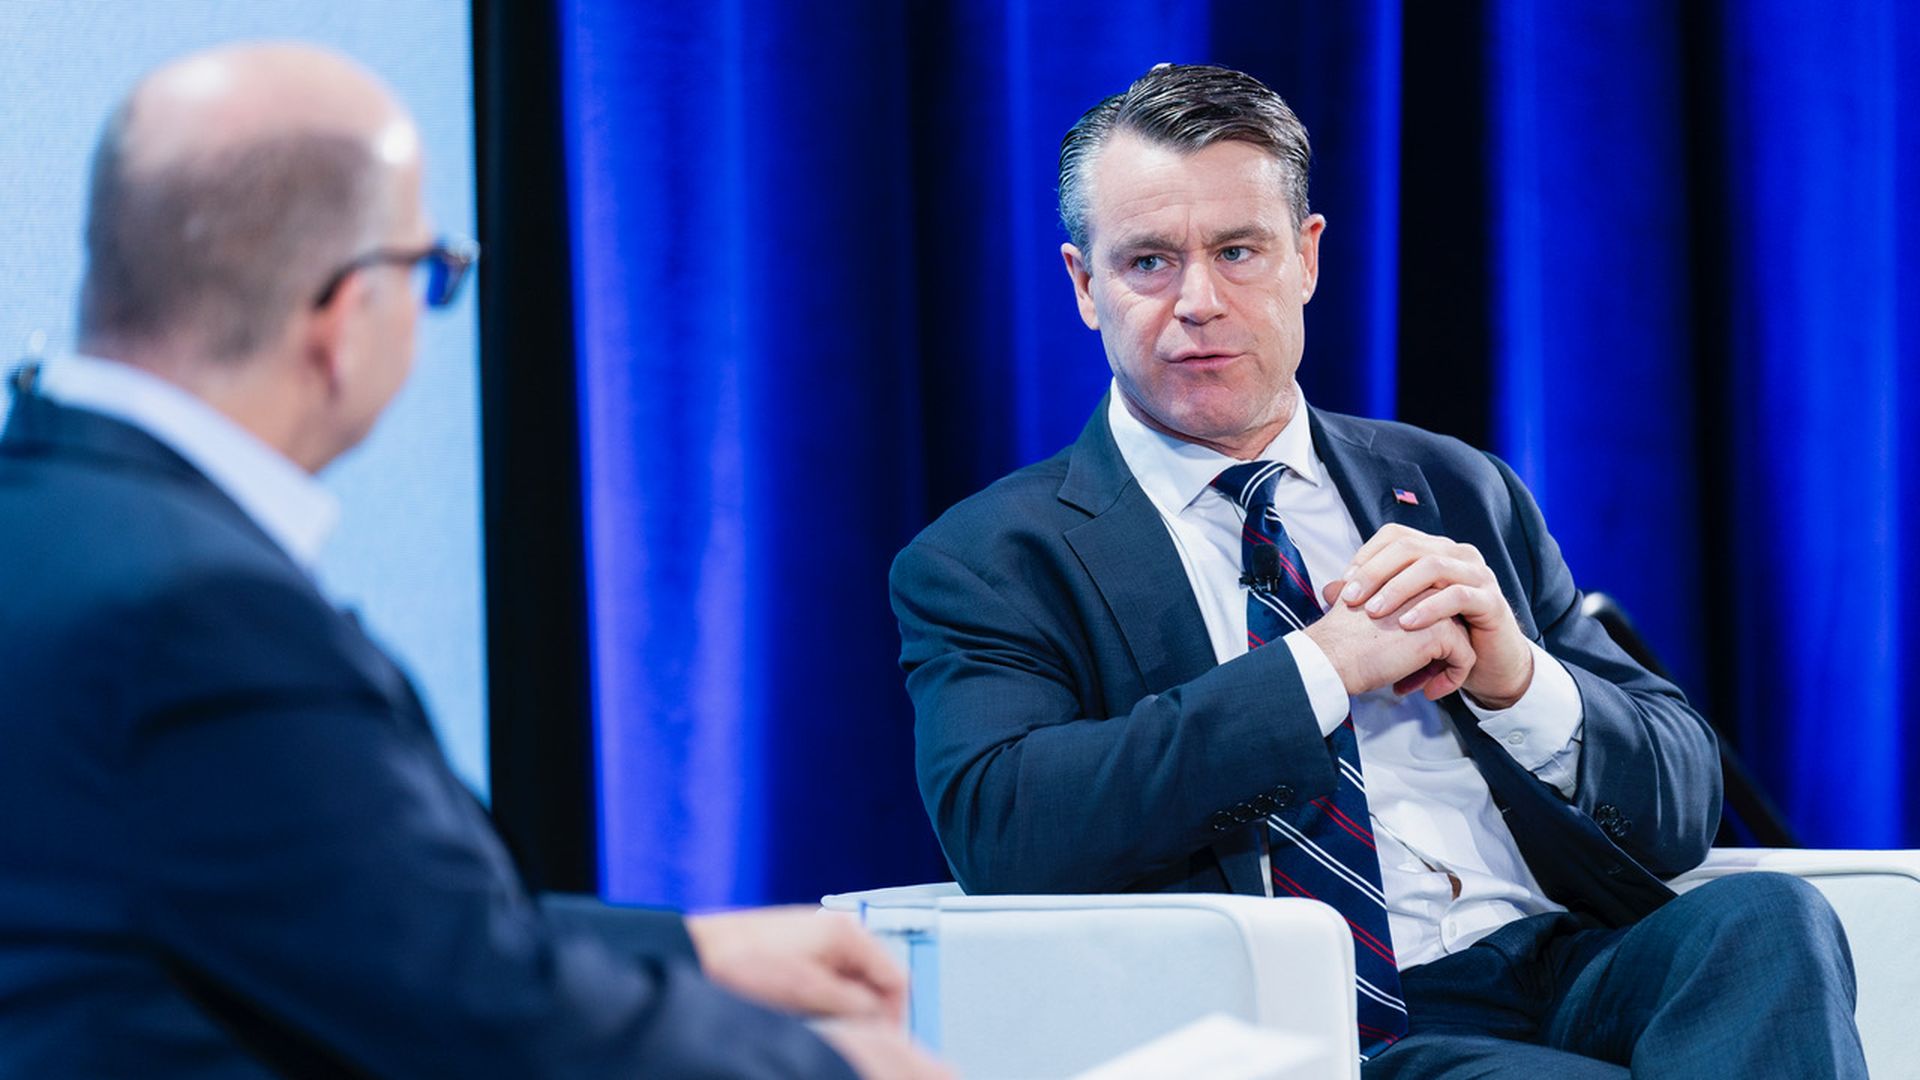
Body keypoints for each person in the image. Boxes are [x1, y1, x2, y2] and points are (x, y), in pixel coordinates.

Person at [890, 63, 1865, 1078]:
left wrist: (1519, 681)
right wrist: (1322, 666)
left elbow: (1679, 804)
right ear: (1085, 287)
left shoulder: (1451, 485)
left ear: (1306, 259)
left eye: (1238, 251)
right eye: (1147, 262)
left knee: (1766, 920)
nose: (1198, 301)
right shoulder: (993, 557)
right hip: (1337, 1022)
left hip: (1561, 964)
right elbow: (1007, 830)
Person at [0, 43, 944, 1079]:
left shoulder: (50, 519)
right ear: (346, 313)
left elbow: (347, 910)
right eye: (434, 271)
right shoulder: (200, 612)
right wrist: (846, 1072)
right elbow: (473, 1018)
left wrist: (692, 951)